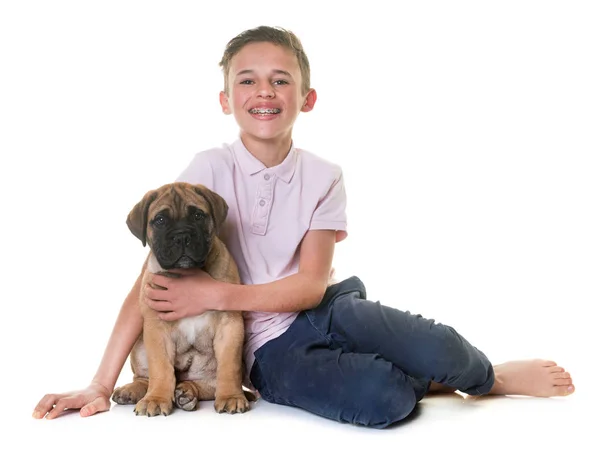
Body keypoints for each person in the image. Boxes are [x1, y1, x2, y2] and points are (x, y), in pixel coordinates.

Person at [32, 25, 575, 428]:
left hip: (326, 309)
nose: (264, 91)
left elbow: (311, 285)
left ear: (306, 98)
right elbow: (148, 289)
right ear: (227, 100)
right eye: (247, 80)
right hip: (268, 354)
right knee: (385, 401)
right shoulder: (206, 170)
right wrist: (100, 383)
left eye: (280, 80)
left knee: (444, 346)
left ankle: (490, 377)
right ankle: (425, 377)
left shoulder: (324, 175)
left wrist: (218, 292)